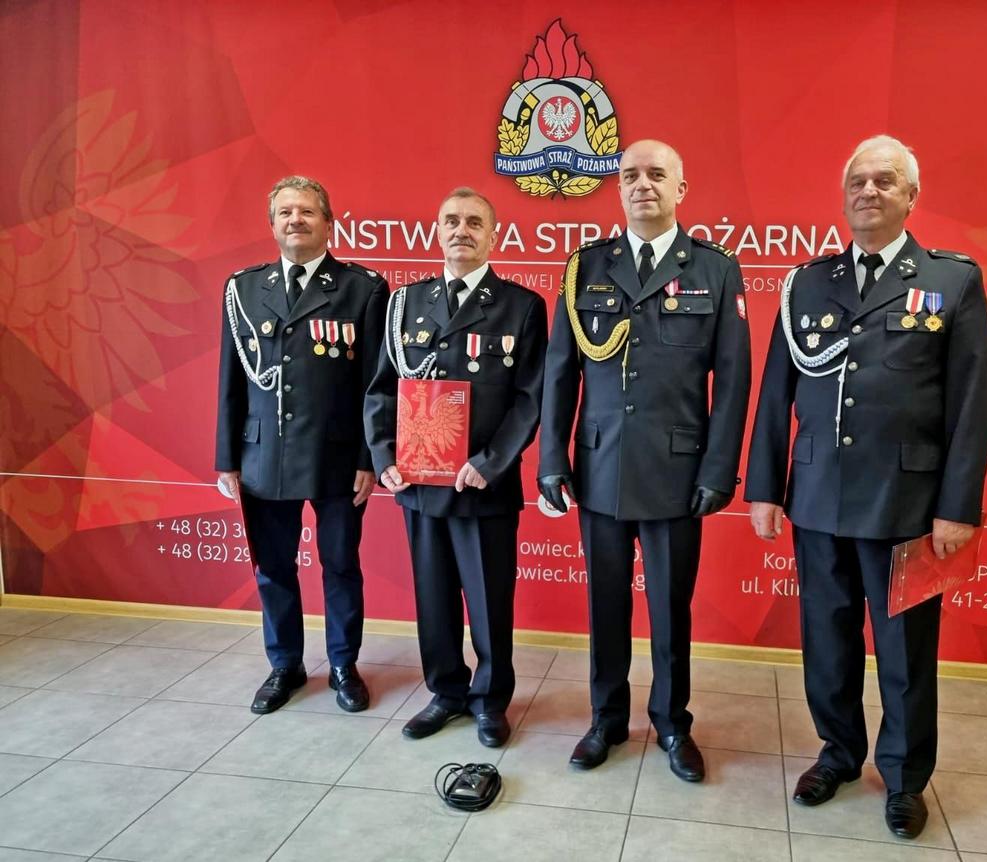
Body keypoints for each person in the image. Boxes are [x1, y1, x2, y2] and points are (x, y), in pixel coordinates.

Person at [744, 135, 987, 838]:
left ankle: (906, 777)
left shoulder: (950, 281)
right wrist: (765, 488)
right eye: (858, 180)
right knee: (827, 640)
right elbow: (775, 393)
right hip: (818, 497)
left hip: (906, 505)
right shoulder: (807, 282)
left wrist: (958, 505)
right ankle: (838, 754)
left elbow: (974, 402)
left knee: (905, 652)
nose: (868, 191)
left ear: (912, 196)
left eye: (885, 181)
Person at [538, 140, 751, 782]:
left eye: (657, 174)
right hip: (600, 466)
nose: (642, 185)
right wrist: (551, 457)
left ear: (680, 189)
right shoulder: (584, 267)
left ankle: (672, 722)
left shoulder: (715, 269)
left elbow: (733, 381)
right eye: (630, 175)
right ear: (618, 188)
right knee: (605, 605)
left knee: (669, 609)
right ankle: (606, 720)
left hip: (677, 473)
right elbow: (560, 372)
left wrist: (718, 469)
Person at [364, 188, 547, 748]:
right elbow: (381, 390)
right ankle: (445, 692)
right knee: (434, 598)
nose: (461, 230)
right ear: (438, 231)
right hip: (419, 484)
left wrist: (491, 462)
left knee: (489, 603)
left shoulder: (521, 306)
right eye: (450, 221)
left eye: (473, 222)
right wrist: (384, 457)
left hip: (483, 484)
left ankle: (490, 701)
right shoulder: (404, 303)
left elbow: (530, 399)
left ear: (494, 235)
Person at [215, 175, 387, 714]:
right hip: (262, 454)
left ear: (329, 223)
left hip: (338, 458)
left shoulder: (363, 289)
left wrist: (369, 458)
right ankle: (285, 665)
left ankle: (343, 664)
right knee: (273, 568)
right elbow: (231, 379)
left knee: (340, 566)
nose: (296, 220)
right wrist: (227, 458)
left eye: (308, 211)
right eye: (286, 212)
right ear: (272, 225)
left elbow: (376, 383)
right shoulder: (243, 290)